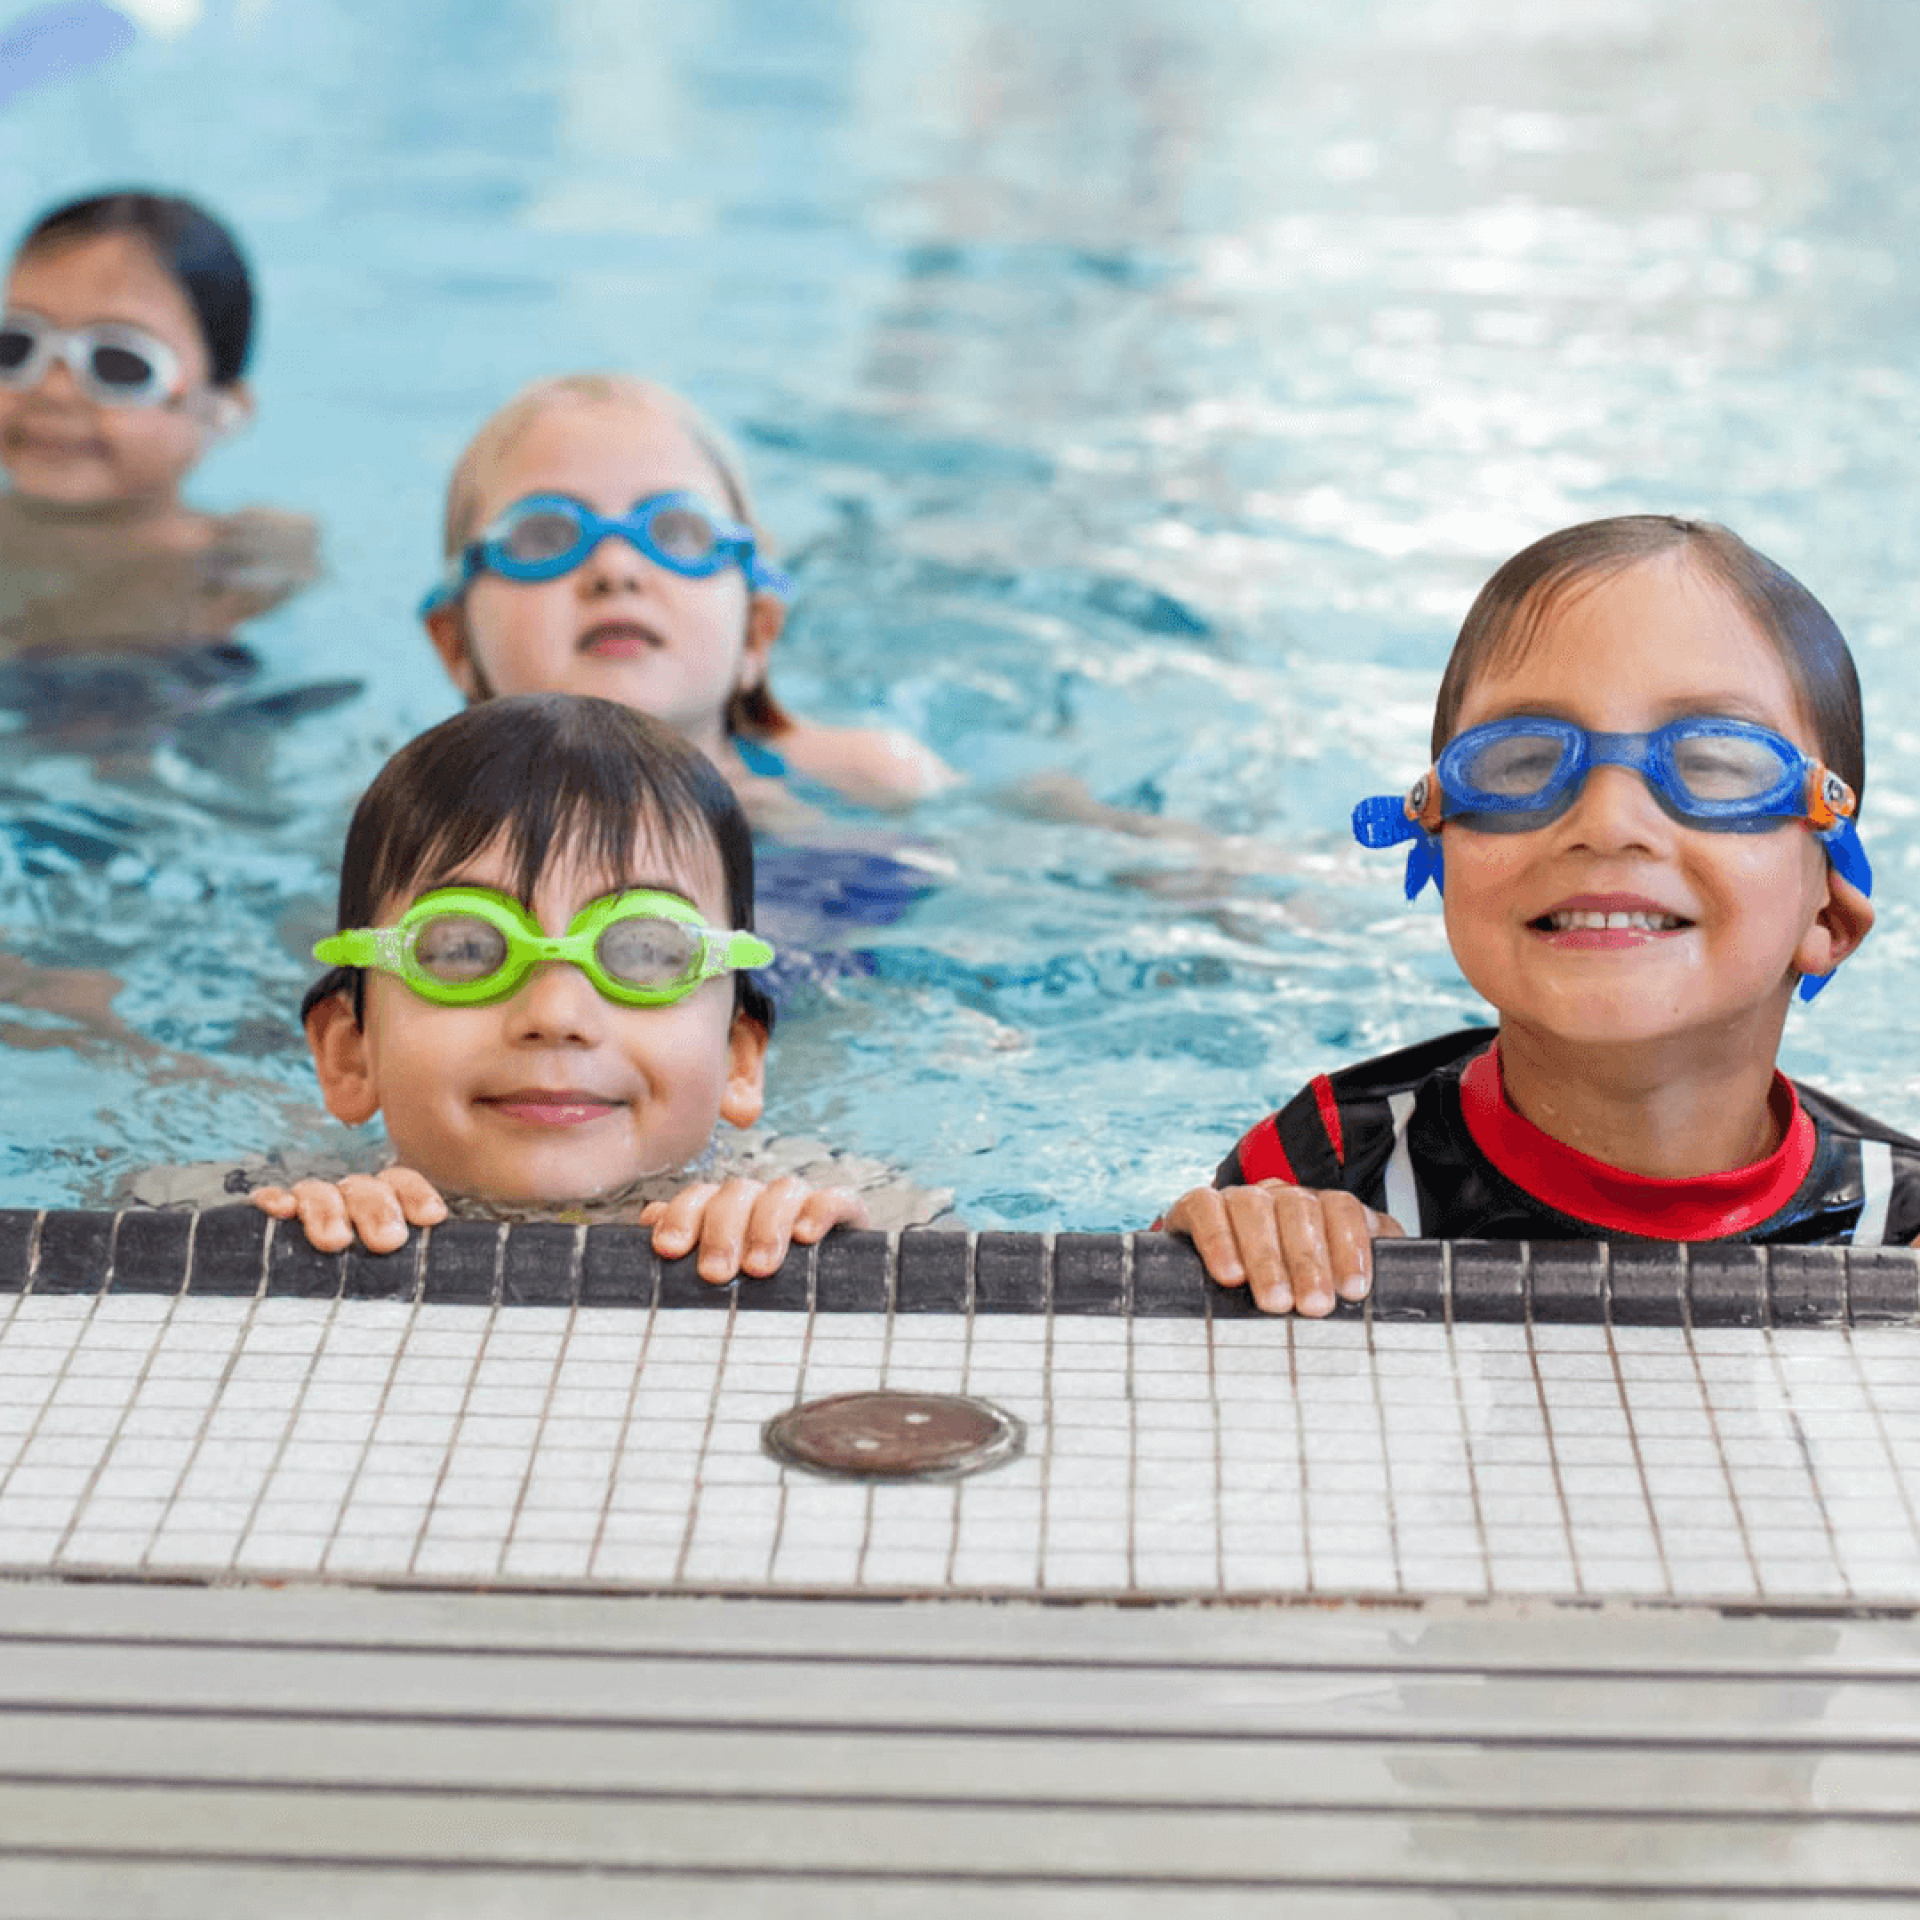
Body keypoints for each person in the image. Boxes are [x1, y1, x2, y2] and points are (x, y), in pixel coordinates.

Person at [1163, 514, 1920, 1315]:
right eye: (1522, 762)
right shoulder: (1332, 1163)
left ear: (1827, 920)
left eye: (1714, 764)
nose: (1607, 822)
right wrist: (1231, 1238)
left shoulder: (1899, 1226)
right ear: (1443, 859)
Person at [249, 692, 949, 1274]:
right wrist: (273, 1240)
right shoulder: (289, 1194)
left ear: (738, 1062)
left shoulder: (805, 1190)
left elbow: (951, 1263)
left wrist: (834, 1243)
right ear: (349, 1053)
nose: (555, 1014)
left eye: (645, 951)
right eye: (464, 948)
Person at [419, 373, 956, 825]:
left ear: (756, 633)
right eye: (544, 536)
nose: (615, 568)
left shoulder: (865, 783)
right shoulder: (423, 832)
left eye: (677, 532)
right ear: (456, 646)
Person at [0, 189, 317, 660]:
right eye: (17, 346)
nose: (53, 390)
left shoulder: (241, 570)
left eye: (119, 363)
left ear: (222, 410)